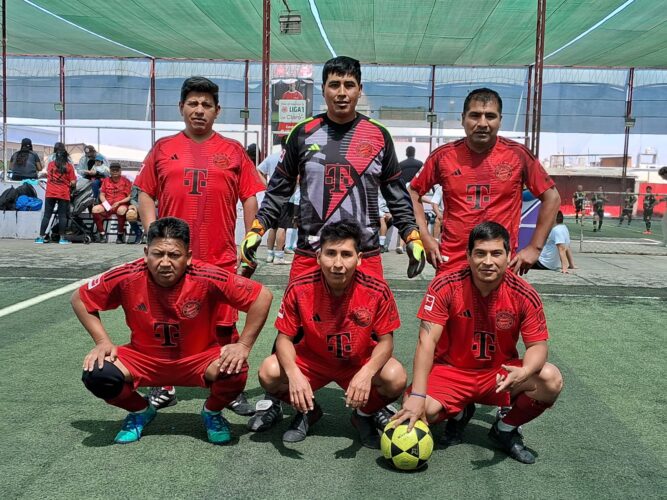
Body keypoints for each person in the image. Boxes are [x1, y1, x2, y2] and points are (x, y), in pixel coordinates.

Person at [73, 217, 272, 445]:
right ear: (147, 252)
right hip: (143, 359)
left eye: (174, 255)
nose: (165, 262)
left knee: (235, 367)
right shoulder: (127, 275)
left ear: (188, 257)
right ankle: (140, 410)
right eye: (158, 254)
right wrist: (101, 341)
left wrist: (243, 345)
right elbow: (80, 299)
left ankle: (212, 413)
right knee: (97, 373)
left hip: (198, 359)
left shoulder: (206, 276)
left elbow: (261, 297)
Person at [135, 76, 265, 415]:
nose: (199, 110)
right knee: (164, 323)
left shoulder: (233, 150)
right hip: (171, 261)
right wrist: (153, 236)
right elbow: (145, 192)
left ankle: (228, 390)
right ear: (181, 108)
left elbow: (250, 196)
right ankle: (163, 385)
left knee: (225, 326)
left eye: (206, 105)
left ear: (217, 111)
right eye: (193, 103)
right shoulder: (163, 148)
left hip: (219, 258)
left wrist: (249, 241)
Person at [241, 55, 425, 282]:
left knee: (366, 318)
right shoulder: (302, 132)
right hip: (311, 252)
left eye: (349, 85)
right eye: (334, 85)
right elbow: (280, 189)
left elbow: (395, 193)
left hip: (363, 254)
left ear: (359, 90)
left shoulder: (378, 135)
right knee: (300, 319)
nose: (341, 92)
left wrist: (411, 234)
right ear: (323, 89)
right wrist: (258, 228)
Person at [392, 221, 563, 464]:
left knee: (550, 379)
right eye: (480, 253)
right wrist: (418, 395)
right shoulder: (445, 285)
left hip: (497, 376)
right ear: (468, 255)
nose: (488, 261)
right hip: (450, 372)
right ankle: (459, 410)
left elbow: (538, 346)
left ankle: (505, 429)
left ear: (508, 255)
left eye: (496, 253)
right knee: (414, 409)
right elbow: (426, 342)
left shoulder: (524, 294)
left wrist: (524, 371)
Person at [247, 220, 406, 448]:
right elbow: (284, 338)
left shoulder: (377, 288)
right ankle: (307, 411)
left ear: (359, 258)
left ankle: (364, 414)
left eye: (346, 254)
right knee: (268, 372)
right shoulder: (299, 287)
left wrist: (367, 372)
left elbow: (386, 341)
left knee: (396, 377)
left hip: (357, 361)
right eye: (331, 253)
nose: (338, 263)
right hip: (312, 361)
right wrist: (294, 373)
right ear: (319, 256)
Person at [408, 88, 561, 275]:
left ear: (500, 120)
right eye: (475, 115)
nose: (482, 123)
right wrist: (425, 237)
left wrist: (535, 248)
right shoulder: (444, 156)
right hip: (453, 261)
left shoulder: (517, 155)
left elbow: (552, 197)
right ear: (463, 118)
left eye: (490, 116)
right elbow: (413, 191)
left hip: (498, 263)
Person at [257, 135, 291, 265]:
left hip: (272, 196)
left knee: (273, 227)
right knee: (283, 227)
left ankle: (270, 254)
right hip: (286, 197)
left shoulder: (272, 157)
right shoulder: (292, 158)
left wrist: (267, 186)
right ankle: (279, 256)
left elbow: (259, 170)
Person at [35, 143, 76, 244]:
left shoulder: (50, 165)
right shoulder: (69, 166)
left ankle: (40, 237)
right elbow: (73, 182)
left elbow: (48, 174)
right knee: (62, 216)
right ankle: (62, 239)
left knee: (47, 215)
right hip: (63, 193)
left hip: (50, 192)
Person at [91, 162, 132, 243]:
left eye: (117, 170)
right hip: (108, 203)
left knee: (121, 210)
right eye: (113, 170)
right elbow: (102, 195)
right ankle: (102, 234)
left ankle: (120, 235)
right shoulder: (106, 180)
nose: (115, 171)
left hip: (121, 203)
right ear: (110, 171)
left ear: (120, 171)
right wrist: (106, 204)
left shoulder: (126, 181)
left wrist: (119, 202)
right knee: (95, 209)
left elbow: (129, 196)